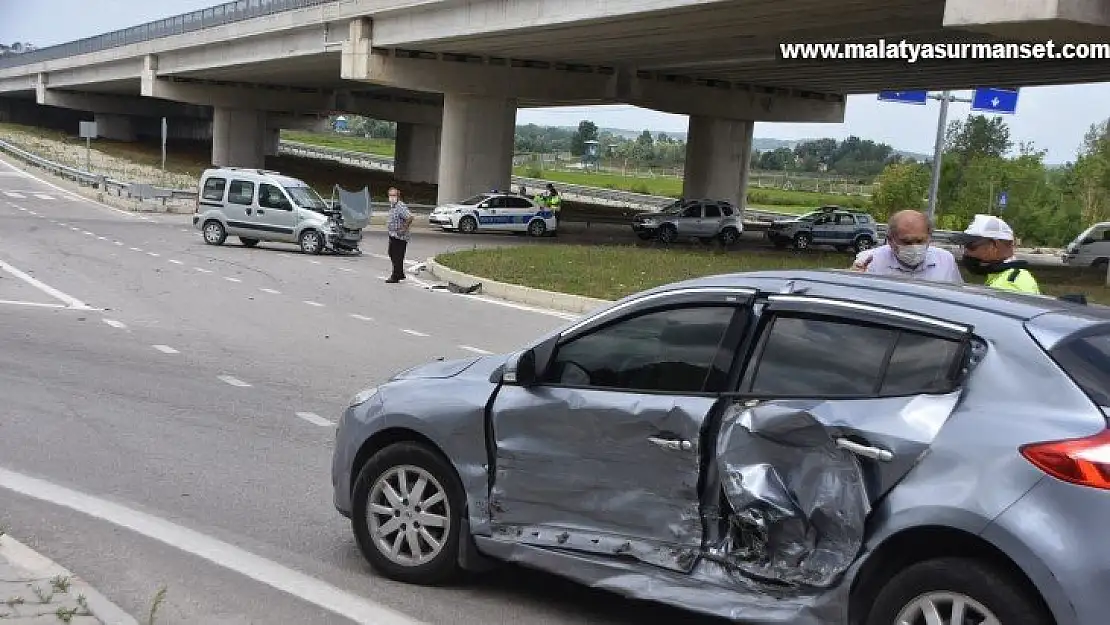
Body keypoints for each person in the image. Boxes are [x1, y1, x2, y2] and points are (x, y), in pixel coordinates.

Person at [851, 209, 962, 283]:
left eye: (920, 241)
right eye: (907, 242)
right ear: (890, 240)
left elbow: (957, 297)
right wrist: (853, 280)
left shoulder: (945, 260)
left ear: (929, 237)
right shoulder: (869, 262)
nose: (914, 247)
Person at [955, 214, 1041, 294]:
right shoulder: (1007, 277)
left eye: (970, 246)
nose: (965, 251)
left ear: (994, 247)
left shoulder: (1009, 286)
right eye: (963, 246)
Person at [385, 187, 413, 284]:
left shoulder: (400, 206)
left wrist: (404, 228)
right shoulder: (393, 206)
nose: (392, 197)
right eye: (390, 195)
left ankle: (395, 276)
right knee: (392, 253)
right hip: (393, 235)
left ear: (398, 196)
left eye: (394, 195)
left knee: (397, 256)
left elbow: (409, 217)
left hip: (399, 236)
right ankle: (400, 273)